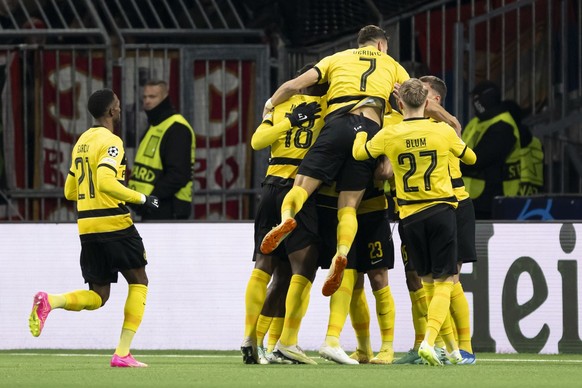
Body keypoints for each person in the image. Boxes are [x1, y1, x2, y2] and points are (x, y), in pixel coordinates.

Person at [259, 25, 410, 299]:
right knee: (349, 206)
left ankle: (286, 219)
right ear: (380, 46)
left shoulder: (336, 58)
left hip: (338, 123)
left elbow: (293, 86)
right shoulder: (392, 65)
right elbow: (413, 98)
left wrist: (270, 104)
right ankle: (341, 253)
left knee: (302, 188)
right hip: (371, 129)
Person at [28, 89, 160, 368]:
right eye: (118, 106)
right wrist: (142, 198)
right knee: (139, 282)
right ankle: (122, 353)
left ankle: (51, 300)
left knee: (99, 296)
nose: (120, 110)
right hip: (114, 222)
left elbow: (69, 190)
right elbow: (105, 182)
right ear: (111, 112)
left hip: (87, 225)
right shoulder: (111, 141)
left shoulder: (82, 142)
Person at [353, 78, 477, 366]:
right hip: (442, 207)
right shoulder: (442, 131)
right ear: (426, 102)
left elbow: (361, 154)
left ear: (401, 102)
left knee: (436, 283)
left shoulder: (390, 133)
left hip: (414, 214)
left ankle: (457, 349)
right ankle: (435, 344)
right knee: (443, 282)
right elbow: (470, 157)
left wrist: (359, 133)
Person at [241, 64, 326, 365]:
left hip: (270, 187)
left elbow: (256, 142)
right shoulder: (328, 108)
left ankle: (252, 338)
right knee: (303, 268)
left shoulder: (278, 105)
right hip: (299, 188)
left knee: (267, 265)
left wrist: (285, 118)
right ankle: (286, 341)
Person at [316, 162, 396, 365]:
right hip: (345, 215)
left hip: (373, 211)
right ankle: (363, 349)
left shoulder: (383, 131)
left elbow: (386, 172)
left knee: (379, 278)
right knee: (352, 282)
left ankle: (387, 347)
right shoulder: (342, 134)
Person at [421, 75, 477, 364]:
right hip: (425, 208)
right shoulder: (414, 123)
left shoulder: (445, 125)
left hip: (455, 204)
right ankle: (448, 345)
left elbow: (455, 125)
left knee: (451, 278)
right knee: (434, 280)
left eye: (424, 91)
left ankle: (462, 347)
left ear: (436, 99)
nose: (418, 94)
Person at [128, 80, 195, 220]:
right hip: (153, 209)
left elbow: (178, 175)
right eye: (144, 97)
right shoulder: (154, 126)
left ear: (165, 97)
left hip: (169, 210)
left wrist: (150, 198)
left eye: (152, 97)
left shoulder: (176, 128)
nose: (147, 101)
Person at [461, 80, 521, 219]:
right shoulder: (477, 122)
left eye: (475, 99)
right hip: (473, 198)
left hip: (492, 199)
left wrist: (451, 163)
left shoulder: (503, 126)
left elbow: (479, 159)